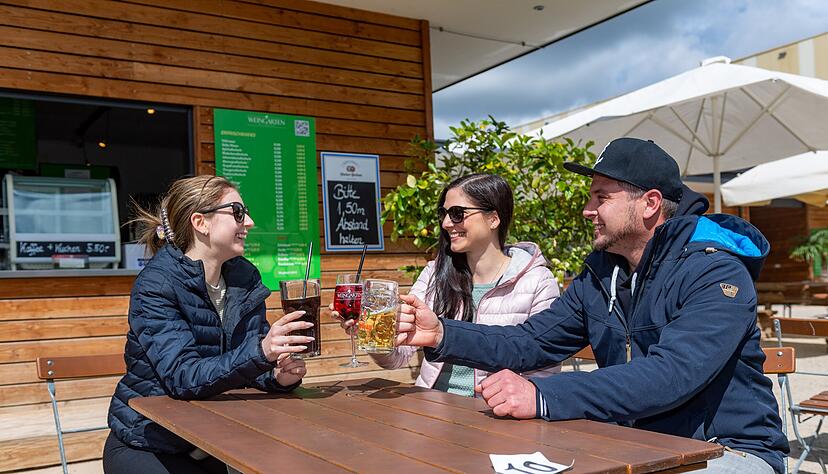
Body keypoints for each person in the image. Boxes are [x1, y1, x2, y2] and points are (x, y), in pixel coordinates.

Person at [397, 138, 788, 473]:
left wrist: (544, 396)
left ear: (650, 203)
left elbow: (673, 374)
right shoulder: (602, 274)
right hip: (638, 444)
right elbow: (530, 341)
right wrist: (442, 332)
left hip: (728, 449)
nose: (588, 209)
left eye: (601, 196)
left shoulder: (714, 270)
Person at [104, 175, 313, 474]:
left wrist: (277, 376)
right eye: (238, 212)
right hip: (151, 444)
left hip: (217, 442)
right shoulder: (156, 285)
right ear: (200, 222)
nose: (249, 222)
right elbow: (182, 376)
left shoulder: (244, 277)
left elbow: (246, 365)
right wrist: (261, 351)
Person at [335, 173, 560, 396]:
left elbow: (544, 370)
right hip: (433, 407)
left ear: (493, 218)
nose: (446, 223)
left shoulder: (537, 281)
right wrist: (372, 335)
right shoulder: (435, 274)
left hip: (496, 414)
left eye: (457, 213)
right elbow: (397, 357)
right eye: (444, 214)